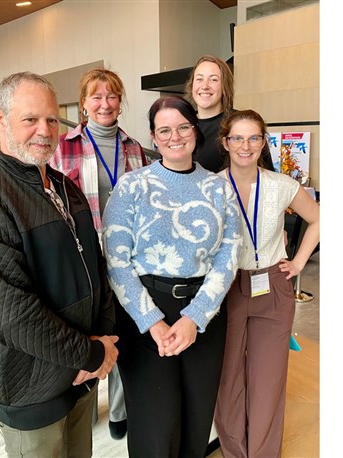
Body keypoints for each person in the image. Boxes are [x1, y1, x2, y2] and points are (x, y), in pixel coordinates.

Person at [0, 71, 119, 458]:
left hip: (80, 377)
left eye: (52, 119)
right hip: (32, 388)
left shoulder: (64, 185)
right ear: (0, 119)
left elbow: (97, 268)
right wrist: (90, 353)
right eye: (30, 119)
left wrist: (103, 339)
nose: (44, 130)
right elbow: (11, 314)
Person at [102, 95, 242, 458]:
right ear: (153, 136)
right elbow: (117, 261)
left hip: (205, 313)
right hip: (145, 313)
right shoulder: (132, 186)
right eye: (164, 130)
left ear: (195, 131)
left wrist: (194, 317)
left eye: (182, 127)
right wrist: (153, 322)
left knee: (197, 419)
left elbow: (229, 256)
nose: (174, 136)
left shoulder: (219, 188)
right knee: (156, 426)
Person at [213, 109, 319, 458]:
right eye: (238, 138)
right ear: (225, 142)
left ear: (263, 142)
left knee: (268, 378)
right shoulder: (211, 187)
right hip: (225, 287)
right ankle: (234, 451)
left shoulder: (281, 185)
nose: (245, 146)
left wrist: (298, 262)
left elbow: (319, 219)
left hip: (272, 285)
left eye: (253, 138)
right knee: (227, 378)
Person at [48, 67, 148, 440]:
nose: (105, 103)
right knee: (85, 335)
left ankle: (120, 411)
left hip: (128, 259)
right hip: (84, 260)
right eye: (97, 96)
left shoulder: (135, 148)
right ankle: (83, 406)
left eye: (112, 96)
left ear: (120, 101)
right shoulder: (63, 147)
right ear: (84, 104)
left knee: (124, 334)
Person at [184, 55, 274, 173]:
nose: (205, 86)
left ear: (225, 86)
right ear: (192, 85)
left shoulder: (242, 123)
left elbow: (267, 175)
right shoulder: (182, 125)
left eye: (214, 80)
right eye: (199, 79)